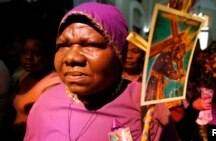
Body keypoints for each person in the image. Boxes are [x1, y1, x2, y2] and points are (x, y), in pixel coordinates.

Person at [24, 2, 179, 141]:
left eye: (90, 44)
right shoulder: (45, 104)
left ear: (119, 53)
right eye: (63, 45)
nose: (71, 57)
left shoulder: (148, 106)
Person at [1, 34, 61, 141]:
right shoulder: (25, 75)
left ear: (48, 56)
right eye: (24, 52)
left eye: (36, 53)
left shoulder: (53, 83)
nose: (28, 57)